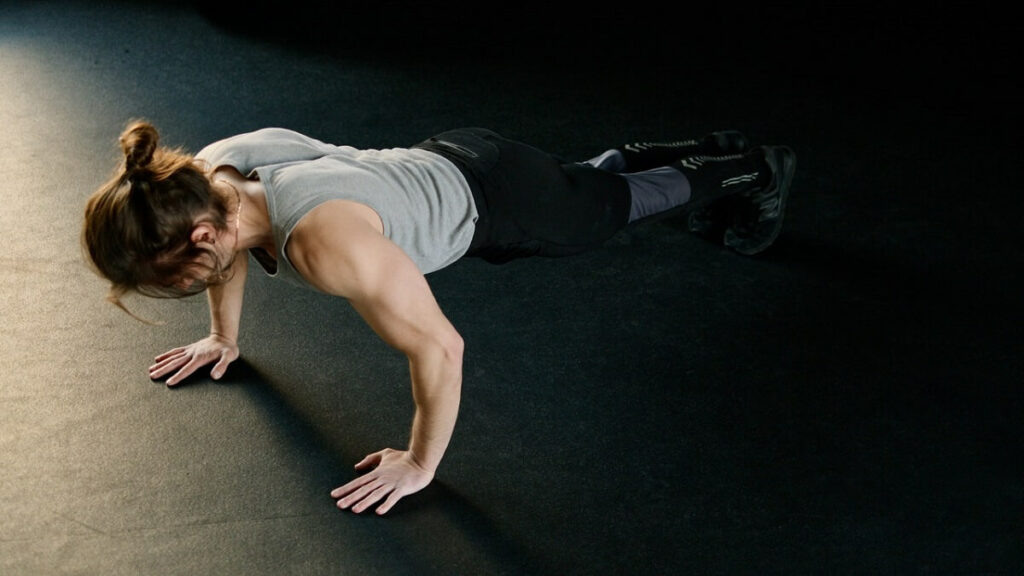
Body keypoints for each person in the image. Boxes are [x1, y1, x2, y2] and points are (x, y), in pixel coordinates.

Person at [81, 121, 796, 515]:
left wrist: (420, 463)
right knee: (589, 183)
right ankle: (709, 149)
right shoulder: (216, 172)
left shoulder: (328, 246)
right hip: (458, 154)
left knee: (613, 208)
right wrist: (223, 337)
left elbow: (441, 349)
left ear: (199, 235)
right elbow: (226, 257)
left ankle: (753, 169)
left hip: (502, 204)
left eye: (162, 274)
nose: (170, 285)